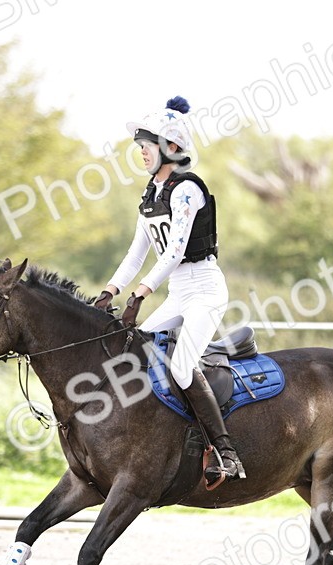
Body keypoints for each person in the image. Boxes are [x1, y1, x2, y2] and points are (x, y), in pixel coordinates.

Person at [92, 96, 246, 483]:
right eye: (140, 146)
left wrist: (141, 293)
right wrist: (111, 289)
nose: (141, 152)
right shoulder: (150, 195)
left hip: (206, 290)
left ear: (172, 148)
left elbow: (176, 251)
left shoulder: (187, 190)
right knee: (135, 349)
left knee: (180, 365)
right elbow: (135, 253)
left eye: (147, 146)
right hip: (178, 292)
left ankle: (226, 453)